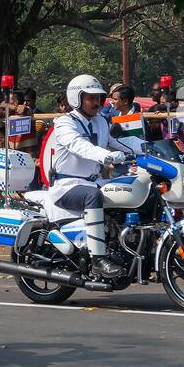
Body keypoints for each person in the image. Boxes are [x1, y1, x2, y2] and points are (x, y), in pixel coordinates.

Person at [47, 74, 134, 278]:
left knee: (129, 187)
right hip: (67, 185)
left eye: (99, 98)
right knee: (92, 196)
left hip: (95, 182)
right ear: (77, 98)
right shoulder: (65, 123)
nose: (96, 102)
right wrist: (106, 156)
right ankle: (98, 260)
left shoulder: (101, 122)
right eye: (90, 98)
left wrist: (149, 150)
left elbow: (122, 144)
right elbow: (79, 146)